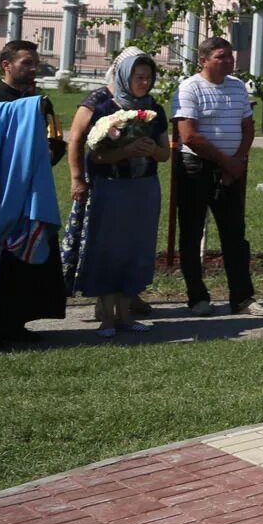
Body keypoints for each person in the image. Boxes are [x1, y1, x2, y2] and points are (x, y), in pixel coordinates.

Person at [65, 47, 167, 337]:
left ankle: (126, 315)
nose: (144, 82)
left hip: (144, 188)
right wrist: (121, 153)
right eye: (138, 76)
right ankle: (106, 318)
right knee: (108, 249)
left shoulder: (154, 109)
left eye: (148, 77)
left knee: (136, 248)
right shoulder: (103, 105)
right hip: (110, 187)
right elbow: (91, 152)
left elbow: (164, 154)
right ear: (124, 75)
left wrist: (153, 150)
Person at [171, 37, 263, 317]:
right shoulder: (189, 88)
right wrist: (227, 163)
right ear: (204, 60)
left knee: (235, 235)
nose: (229, 61)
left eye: (230, 56)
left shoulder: (237, 88)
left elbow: (247, 128)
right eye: (221, 57)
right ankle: (197, 298)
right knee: (191, 234)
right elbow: (189, 135)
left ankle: (242, 298)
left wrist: (236, 162)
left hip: (230, 171)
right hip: (195, 170)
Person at [0, 42, 67, 346]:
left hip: (31, 194)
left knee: (27, 261)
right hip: (0, 196)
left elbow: (54, 141)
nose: (33, 69)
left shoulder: (39, 102)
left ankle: (15, 323)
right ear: (6, 64)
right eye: (26, 63)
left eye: (35, 63)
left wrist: (50, 150)